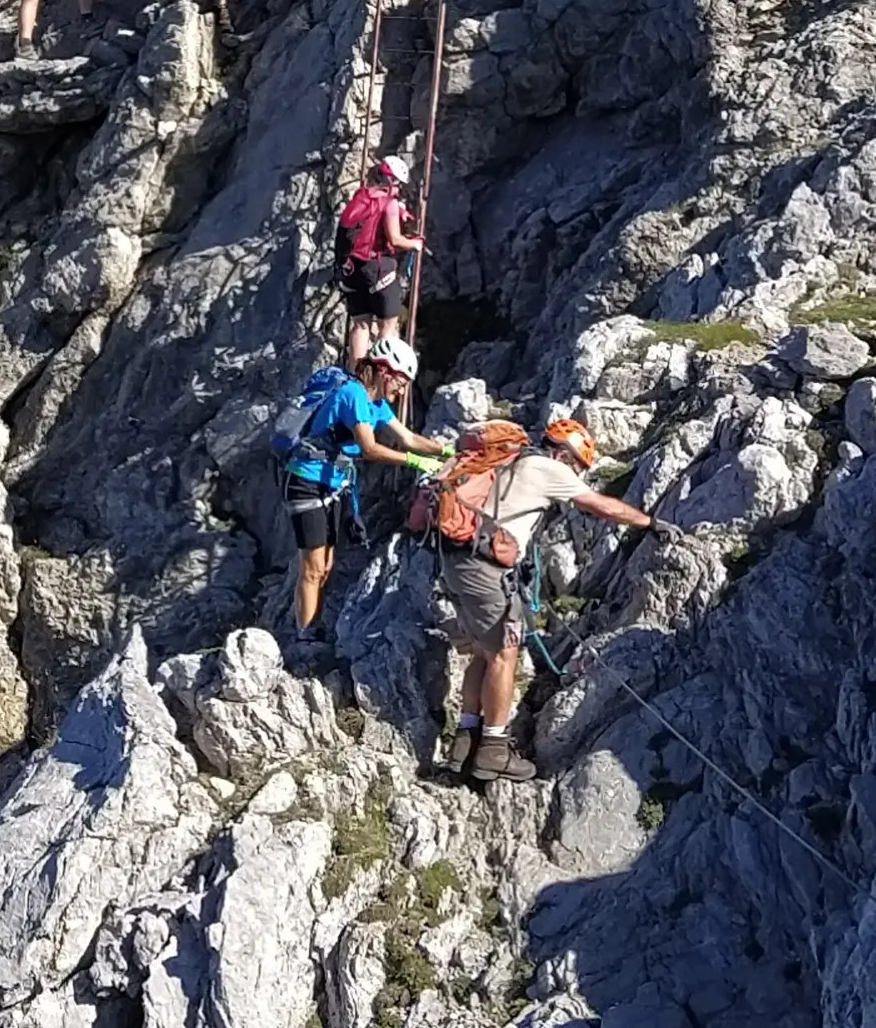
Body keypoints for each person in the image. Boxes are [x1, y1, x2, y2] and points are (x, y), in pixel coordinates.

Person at [435, 418, 673, 784]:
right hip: (484, 568)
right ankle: (494, 750)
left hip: (456, 559)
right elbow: (600, 505)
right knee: (504, 654)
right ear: (563, 453)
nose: (577, 474)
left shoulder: (512, 461)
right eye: (577, 465)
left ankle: (465, 741)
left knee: (485, 653)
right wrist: (649, 523)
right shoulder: (547, 467)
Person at [283, 335, 447, 642]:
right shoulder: (353, 395)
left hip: (331, 484)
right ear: (385, 371)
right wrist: (414, 463)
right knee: (313, 567)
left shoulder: (377, 403)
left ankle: (311, 627)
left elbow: (408, 438)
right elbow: (370, 448)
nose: (401, 390)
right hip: (306, 482)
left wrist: (445, 451)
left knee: (326, 564)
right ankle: (305, 636)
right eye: (400, 382)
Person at [335, 154, 422, 357]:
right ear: (391, 181)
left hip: (350, 269)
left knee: (360, 325)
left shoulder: (362, 196)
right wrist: (414, 244)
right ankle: (379, 376)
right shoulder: (389, 204)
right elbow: (395, 239)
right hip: (376, 268)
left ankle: (356, 373)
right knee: (388, 324)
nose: (399, 189)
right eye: (399, 184)